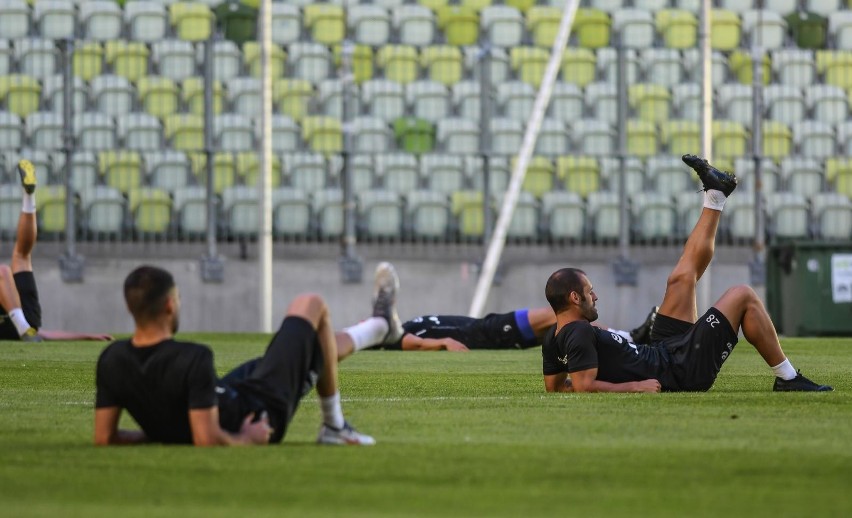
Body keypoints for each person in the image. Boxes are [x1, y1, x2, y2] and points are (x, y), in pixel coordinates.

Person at [541, 154, 833, 393]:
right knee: (742, 295)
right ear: (574, 297)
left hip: (662, 352)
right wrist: (634, 386)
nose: (595, 296)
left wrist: (611, 375)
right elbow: (583, 385)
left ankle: (715, 195)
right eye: (589, 292)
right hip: (679, 370)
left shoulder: (554, 337)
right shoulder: (577, 331)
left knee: (680, 278)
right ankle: (787, 378)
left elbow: (555, 387)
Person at [94, 264, 403, 446]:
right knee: (310, 304)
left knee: (311, 347)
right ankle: (334, 426)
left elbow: (105, 437)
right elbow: (207, 438)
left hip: (232, 393)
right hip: (261, 407)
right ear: (170, 306)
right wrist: (247, 437)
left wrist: (160, 433)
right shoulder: (192, 357)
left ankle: (379, 327)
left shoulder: (112, 359)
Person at [347, 263, 657, 354]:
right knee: (562, 314)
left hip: (488, 324)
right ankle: (629, 337)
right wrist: (441, 342)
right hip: (489, 332)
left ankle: (627, 343)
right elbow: (408, 342)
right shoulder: (397, 335)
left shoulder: (400, 324)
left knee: (565, 326)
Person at [0, 159, 111, 343]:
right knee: (21, 256)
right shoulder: (26, 327)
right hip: (25, 322)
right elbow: (43, 334)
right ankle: (29, 197)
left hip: (24, 324)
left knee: (17, 259)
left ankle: (23, 329)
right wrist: (87, 336)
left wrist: (88, 337)